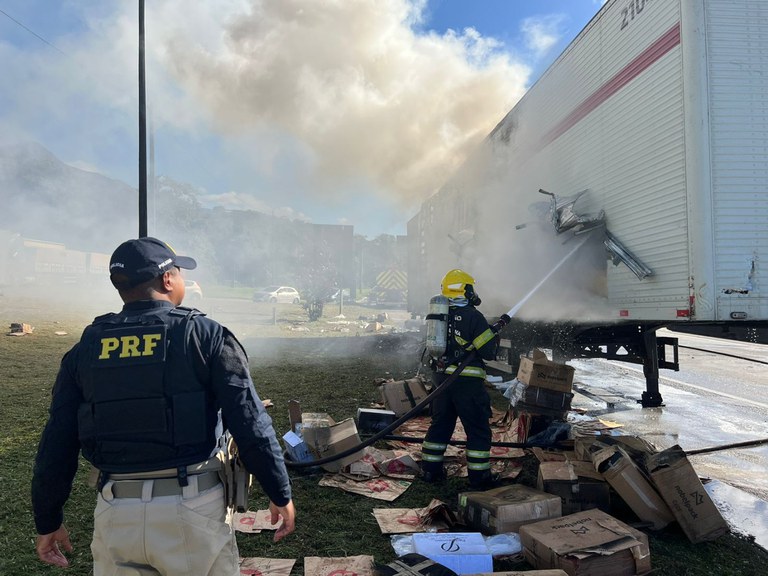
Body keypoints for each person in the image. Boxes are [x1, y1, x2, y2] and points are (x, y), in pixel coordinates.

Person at [32, 237, 295, 574]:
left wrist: (47, 519)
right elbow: (250, 422)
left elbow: (57, 442)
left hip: (115, 512)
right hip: (192, 509)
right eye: (179, 271)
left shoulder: (87, 347)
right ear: (168, 279)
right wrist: (280, 492)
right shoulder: (205, 335)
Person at [420, 269, 502, 490]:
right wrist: (494, 335)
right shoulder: (473, 316)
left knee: (440, 425)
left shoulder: (439, 315)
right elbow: (487, 351)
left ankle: (430, 471)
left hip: (442, 382)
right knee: (477, 429)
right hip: (467, 385)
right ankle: (479, 477)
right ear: (466, 290)